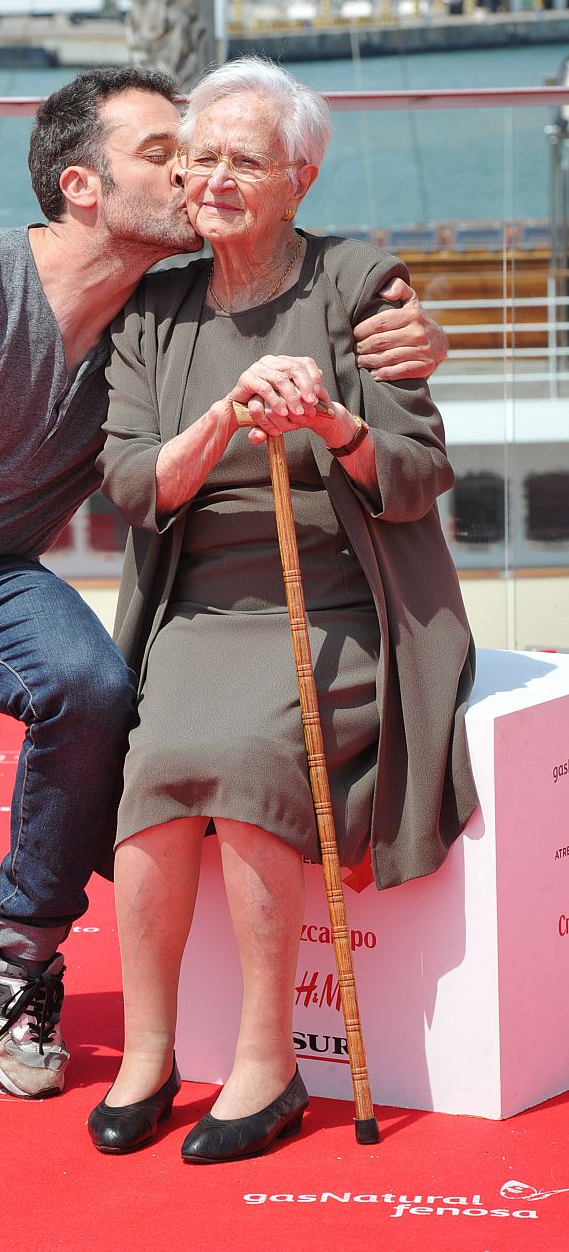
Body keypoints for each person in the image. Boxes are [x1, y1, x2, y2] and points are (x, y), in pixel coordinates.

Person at [0, 66, 447, 1128]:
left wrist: (421, 338)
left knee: (94, 688)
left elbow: (311, 301)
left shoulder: (149, 312)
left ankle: (14, 950)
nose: (197, 170)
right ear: (82, 186)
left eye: (211, 152)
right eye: (169, 153)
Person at [87, 57, 479, 1164]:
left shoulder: (357, 284)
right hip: (200, 610)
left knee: (259, 758)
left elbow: (414, 471)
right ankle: (151, 1054)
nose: (213, 176)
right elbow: (131, 485)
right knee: (154, 771)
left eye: (243, 160)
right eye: (199, 155)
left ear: (299, 178)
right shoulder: (155, 309)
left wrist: (334, 430)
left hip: (345, 604)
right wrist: (220, 420)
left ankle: (270, 1065)